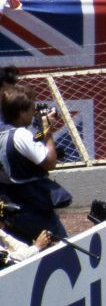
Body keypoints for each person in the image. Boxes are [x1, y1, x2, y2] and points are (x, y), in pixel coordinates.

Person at [0, 85, 69, 243]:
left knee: (23, 251)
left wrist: (40, 130)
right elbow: (49, 162)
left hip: (9, 205)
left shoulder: (5, 134)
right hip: (32, 204)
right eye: (31, 108)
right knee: (61, 248)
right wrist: (47, 131)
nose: (34, 112)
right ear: (21, 112)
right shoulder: (20, 135)